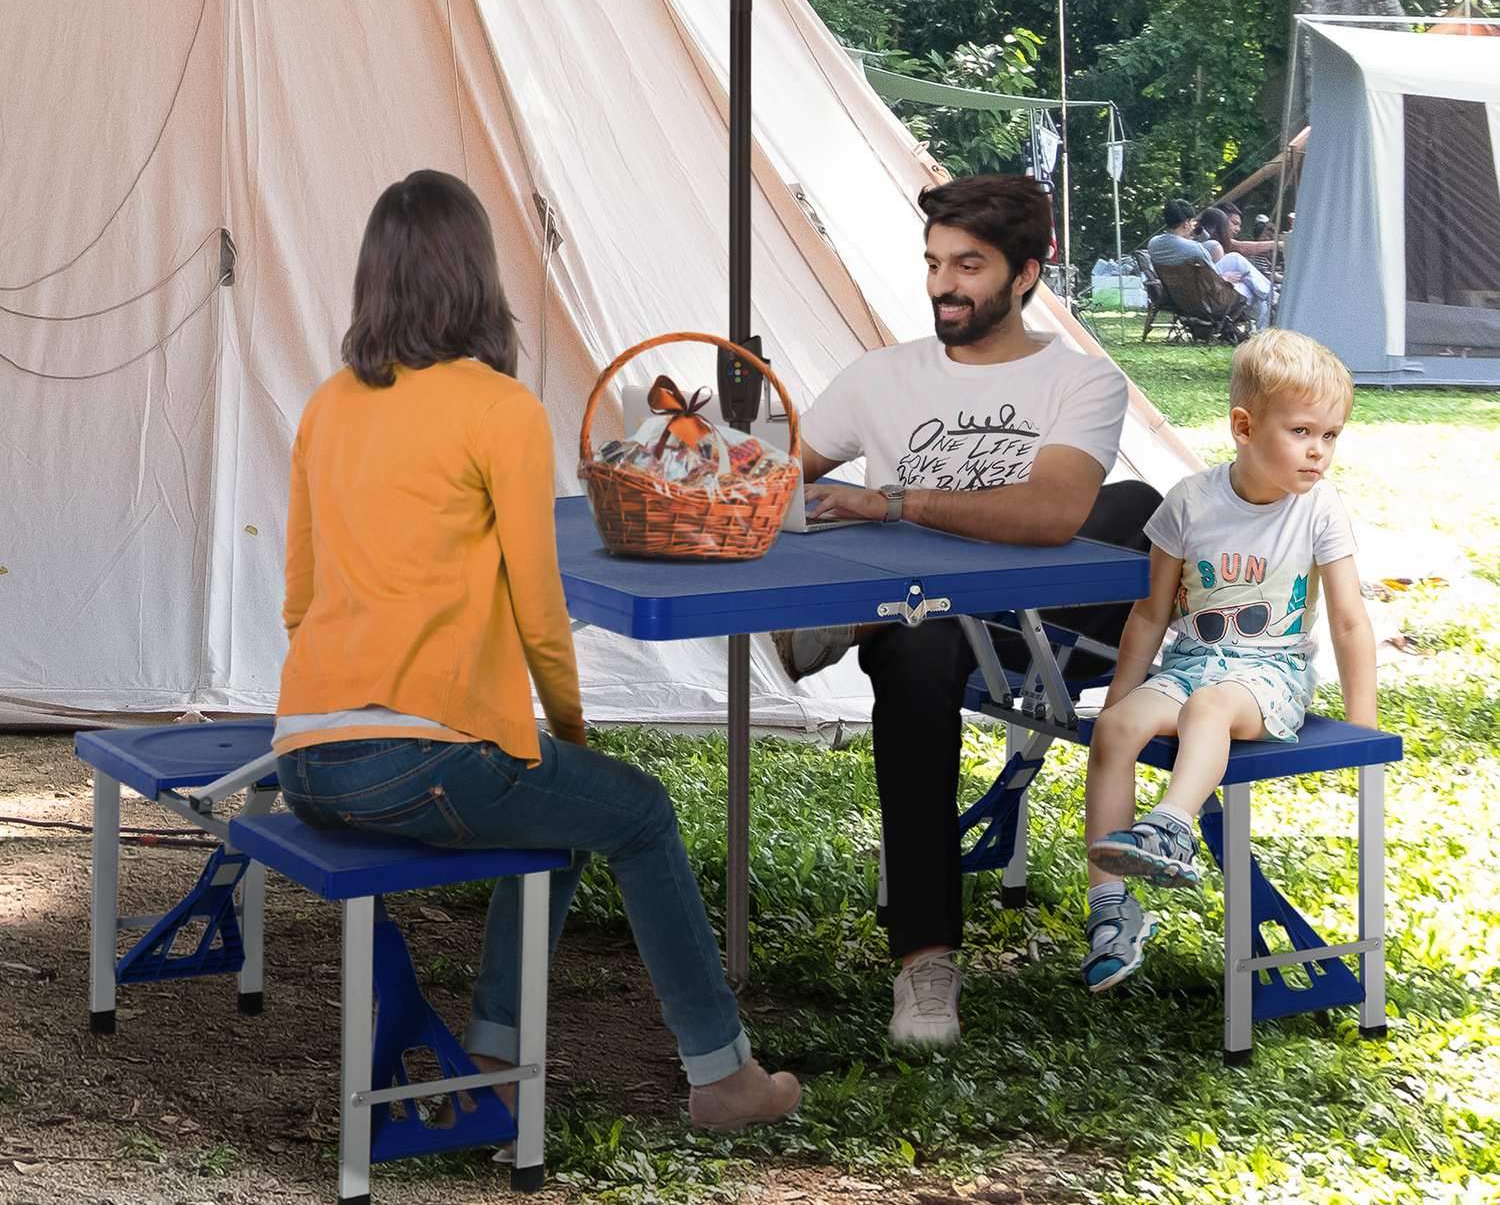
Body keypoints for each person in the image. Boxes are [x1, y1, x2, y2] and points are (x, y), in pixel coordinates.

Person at [273, 169, 799, 1132]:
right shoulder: (501, 410)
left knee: (557, 815)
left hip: (305, 755)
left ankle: (495, 1056)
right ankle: (724, 1077)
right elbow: (537, 606)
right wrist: (565, 725)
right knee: (635, 810)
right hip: (421, 759)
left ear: (373, 282)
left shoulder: (329, 403)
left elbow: (299, 597)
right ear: (478, 276)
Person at [771, 174, 1159, 1049]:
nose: (944, 283)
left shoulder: (1083, 382)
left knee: (1130, 506)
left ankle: (869, 612)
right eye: (935, 263)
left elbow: (1054, 514)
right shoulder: (880, 377)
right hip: (935, 634)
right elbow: (778, 478)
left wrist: (895, 505)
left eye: (970, 265)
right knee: (918, 649)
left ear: (1028, 272)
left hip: (1048, 634)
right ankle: (926, 965)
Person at [1079, 330, 1376, 992]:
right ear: (1244, 426)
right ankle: (1111, 915)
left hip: (1271, 675)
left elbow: (1351, 619)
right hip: (1191, 662)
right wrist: (1123, 697)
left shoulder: (1319, 509)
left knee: (1209, 709)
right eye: (1303, 431)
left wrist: (1363, 726)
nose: (1319, 452)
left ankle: (1171, 829)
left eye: (1331, 435)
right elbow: (1151, 614)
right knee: (1116, 730)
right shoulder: (1189, 502)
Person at [1197, 206, 1273, 330]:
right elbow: (1242, 248)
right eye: (1234, 223)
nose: (1238, 229)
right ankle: (1273, 297)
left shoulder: (1193, 245)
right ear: (1221, 223)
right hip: (1213, 296)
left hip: (1200, 296)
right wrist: (1223, 278)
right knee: (1235, 259)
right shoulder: (1212, 245)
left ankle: (1263, 331)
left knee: (1257, 298)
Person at [1146, 199, 1216, 271]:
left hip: (1169, 281)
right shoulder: (1195, 248)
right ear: (1186, 224)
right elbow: (1214, 274)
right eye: (1192, 222)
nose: (1193, 227)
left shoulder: (1153, 243)